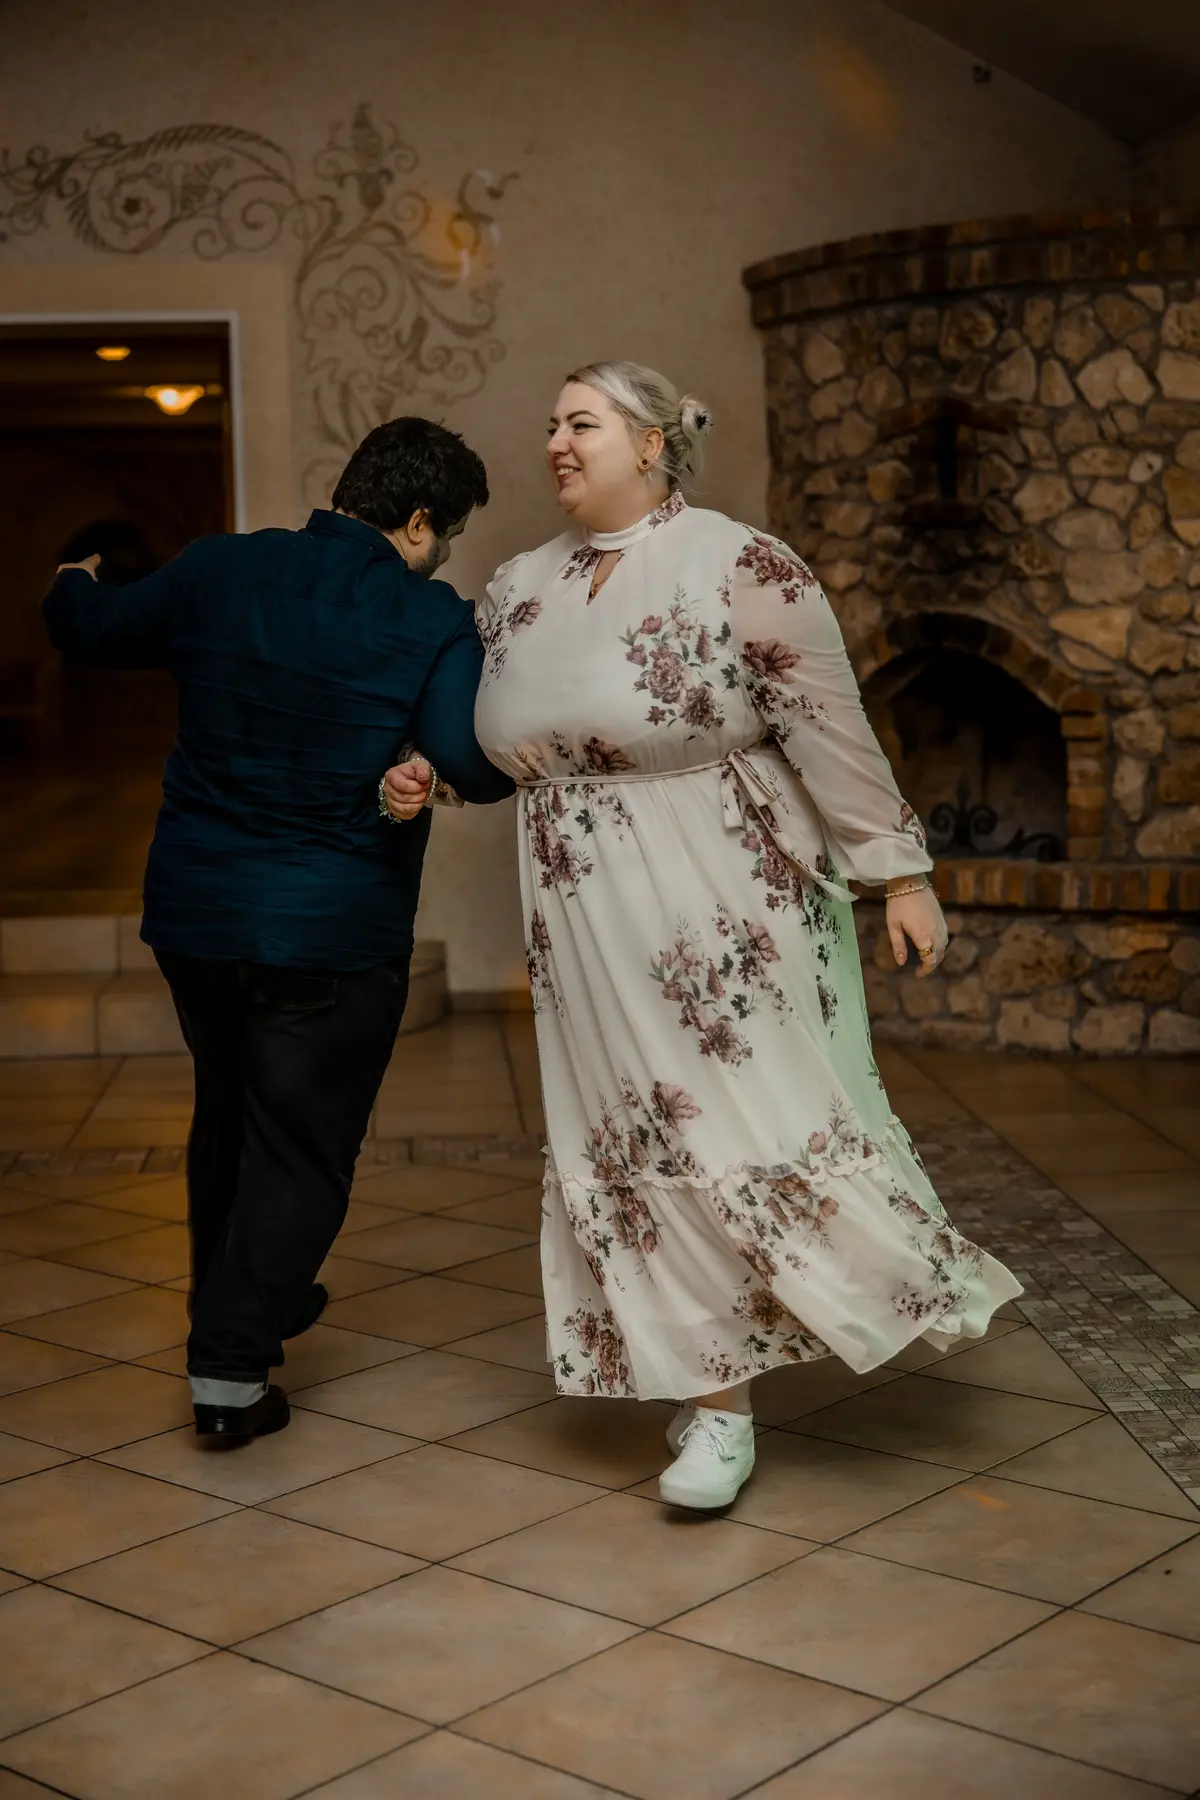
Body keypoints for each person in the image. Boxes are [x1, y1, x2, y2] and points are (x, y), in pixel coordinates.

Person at [385, 362, 1021, 1512]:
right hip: (581, 912)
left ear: (651, 442)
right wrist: (432, 771)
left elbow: (828, 726)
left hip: (723, 902)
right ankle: (708, 1383)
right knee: (631, 1140)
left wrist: (900, 874)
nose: (556, 443)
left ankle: (731, 1397)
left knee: (729, 1126)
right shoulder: (519, 586)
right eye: (551, 424)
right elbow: (500, 737)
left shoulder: (742, 564)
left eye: (582, 423)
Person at [44, 417, 514, 1444]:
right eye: (447, 534)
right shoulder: (427, 615)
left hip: (195, 917)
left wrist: (72, 578)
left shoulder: (218, 568)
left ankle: (259, 1294)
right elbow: (471, 764)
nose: (445, 554)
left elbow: (90, 628)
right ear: (419, 521)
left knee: (231, 1117)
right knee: (300, 1147)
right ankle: (229, 1373)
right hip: (329, 933)